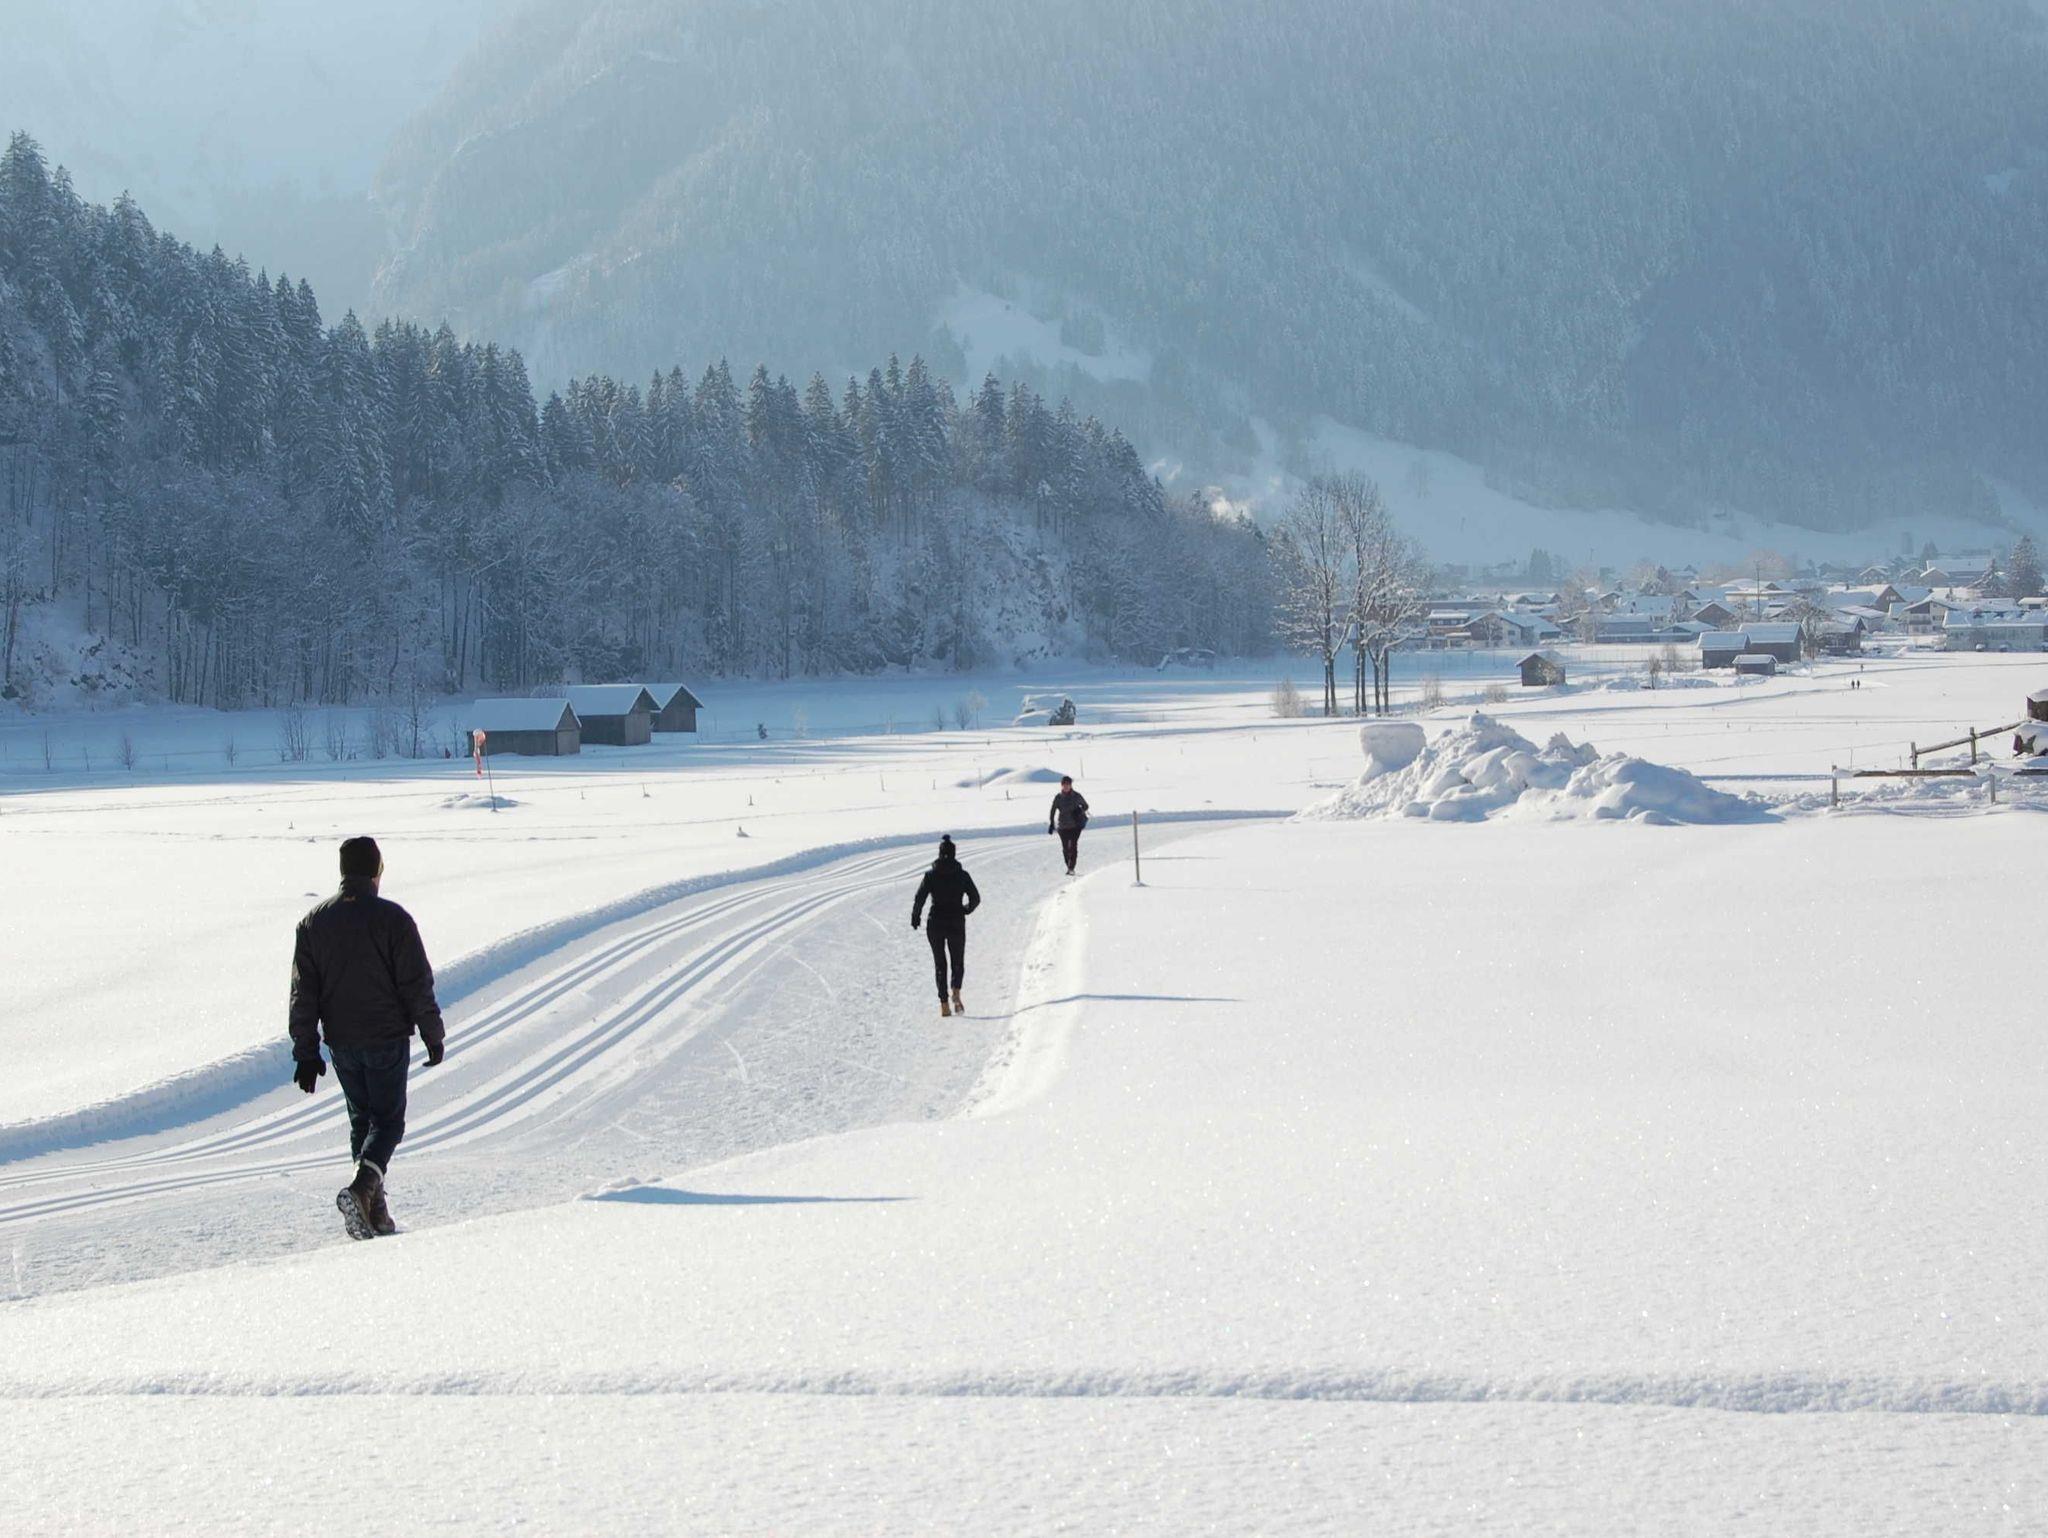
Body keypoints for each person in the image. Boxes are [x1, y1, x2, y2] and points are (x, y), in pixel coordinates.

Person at [288, 836, 446, 1240]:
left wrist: (306, 1051)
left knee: (363, 1123)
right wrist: (432, 1032)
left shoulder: (313, 923)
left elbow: (303, 993)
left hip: (342, 1043)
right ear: (376, 871)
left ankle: (375, 1213)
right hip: (386, 1037)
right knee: (388, 1123)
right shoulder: (393, 919)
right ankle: (361, 1191)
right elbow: (416, 982)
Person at [911, 835, 980, 1018]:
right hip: (956, 920)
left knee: (940, 963)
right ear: (954, 854)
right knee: (957, 961)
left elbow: (920, 898)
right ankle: (956, 992)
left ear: (940, 854)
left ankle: (944, 1005)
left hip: (935, 922)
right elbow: (975, 898)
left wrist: (916, 917)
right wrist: (965, 909)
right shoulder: (963, 875)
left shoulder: (930, 875)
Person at [1048, 775, 1090, 875]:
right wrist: (1052, 823)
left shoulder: (1076, 796)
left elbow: (1086, 806)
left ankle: (1071, 868)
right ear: (1061, 785)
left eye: (1068, 784)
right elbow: (1053, 810)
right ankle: (1069, 865)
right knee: (1066, 849)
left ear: (1071, 785)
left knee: (1073, 847)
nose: (1066, 786)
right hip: (1062, 826)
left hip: (1075, 826)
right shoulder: (1058, 797)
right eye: (1064, 784)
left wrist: (1080, 810)